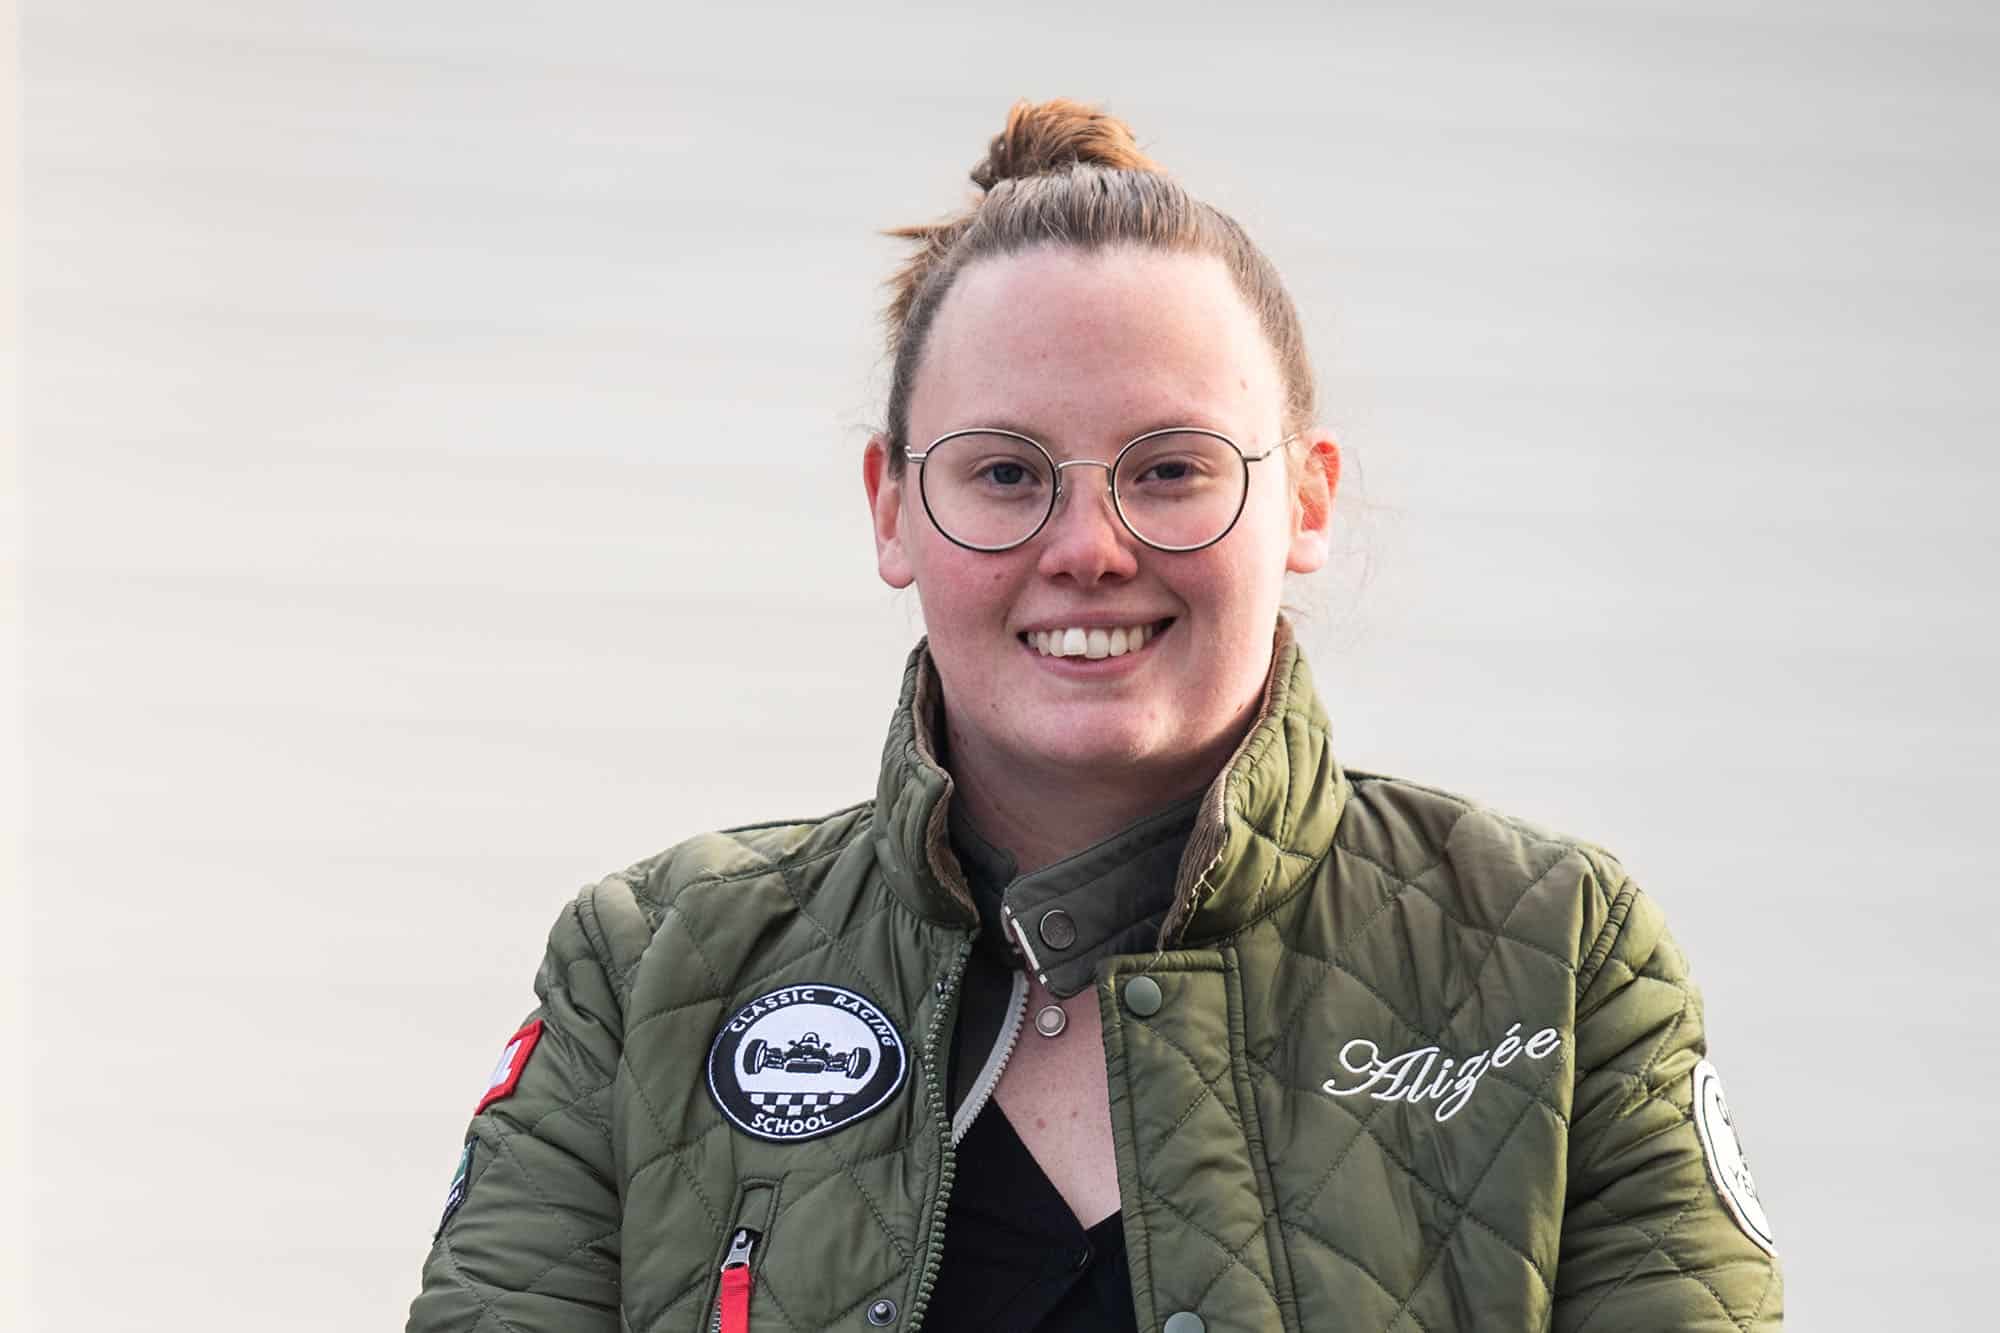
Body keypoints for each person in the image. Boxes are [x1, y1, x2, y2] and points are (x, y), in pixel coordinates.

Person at [405, 98, 1784, 1333]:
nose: (1089, 546)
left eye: (1172, 468)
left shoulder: (1552, 959)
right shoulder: (649, 973)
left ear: (1306, 500)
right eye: (1007, 472)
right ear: (892, 506)